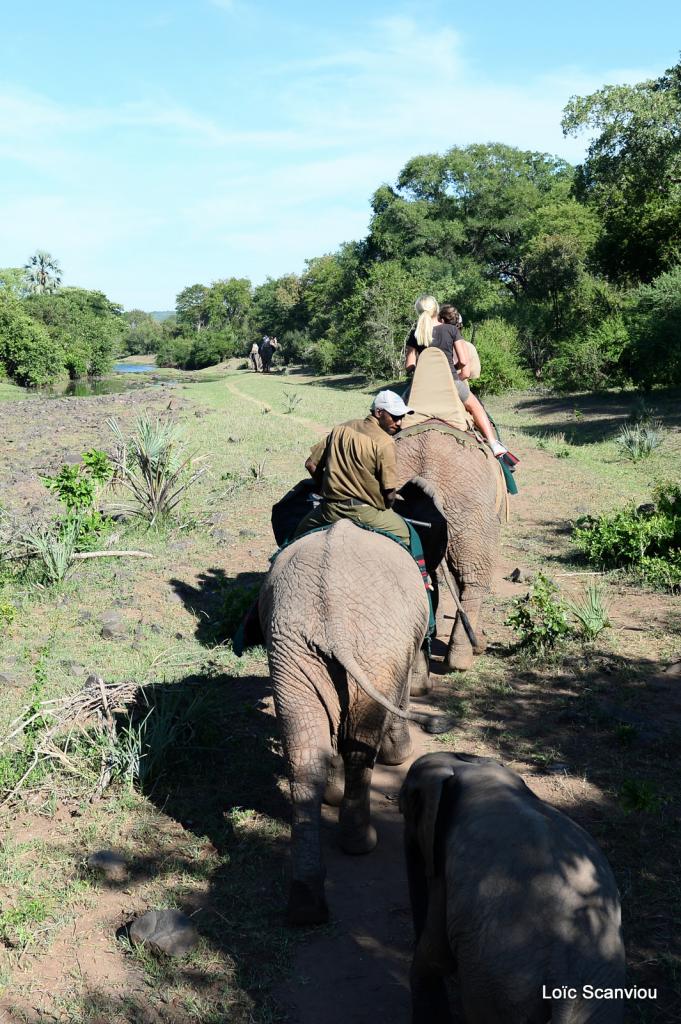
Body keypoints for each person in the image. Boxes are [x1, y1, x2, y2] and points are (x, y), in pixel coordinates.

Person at [292, 390, 414, 544]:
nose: (399, 423)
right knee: (408, 535)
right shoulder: (385, 442)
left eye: (401, 417)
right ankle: (421, 568)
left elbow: (310, 464)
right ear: (379, 412)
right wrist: (386, 507)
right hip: (366, 513)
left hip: (330, 510)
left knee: (296, 536)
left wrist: (326, 488)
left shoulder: (341, 429)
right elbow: (389, 492)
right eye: (395, 417)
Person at [405, 295, 512, 460]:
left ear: (418, 311)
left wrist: (423, 371)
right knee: (476, 407)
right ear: (436, 310)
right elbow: (463, 361)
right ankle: (493, 443)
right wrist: (449, 370)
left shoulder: (415, 334)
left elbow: (409, 365)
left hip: (421, 387)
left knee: (396, 409)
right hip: (452, 383)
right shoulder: (451, 330)